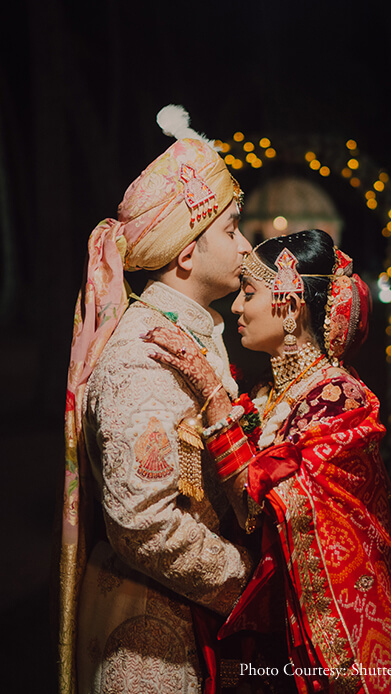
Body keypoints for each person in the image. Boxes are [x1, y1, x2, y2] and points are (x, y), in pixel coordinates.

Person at [146, 229, 391, 693]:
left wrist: (214, 401)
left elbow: (261, 509)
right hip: (278, 625)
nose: (237, 307)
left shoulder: (339, 401)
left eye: (249, 293)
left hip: (333, 638)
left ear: (289, 306)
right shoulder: (272, 394)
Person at [56, 106, 255, 694]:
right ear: (187, 252)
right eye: (231, 231)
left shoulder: (187, 332)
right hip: (151, 642)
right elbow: (143, 524)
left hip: (184, 617)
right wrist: (249, 582)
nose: (246, 247)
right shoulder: (143, 355)